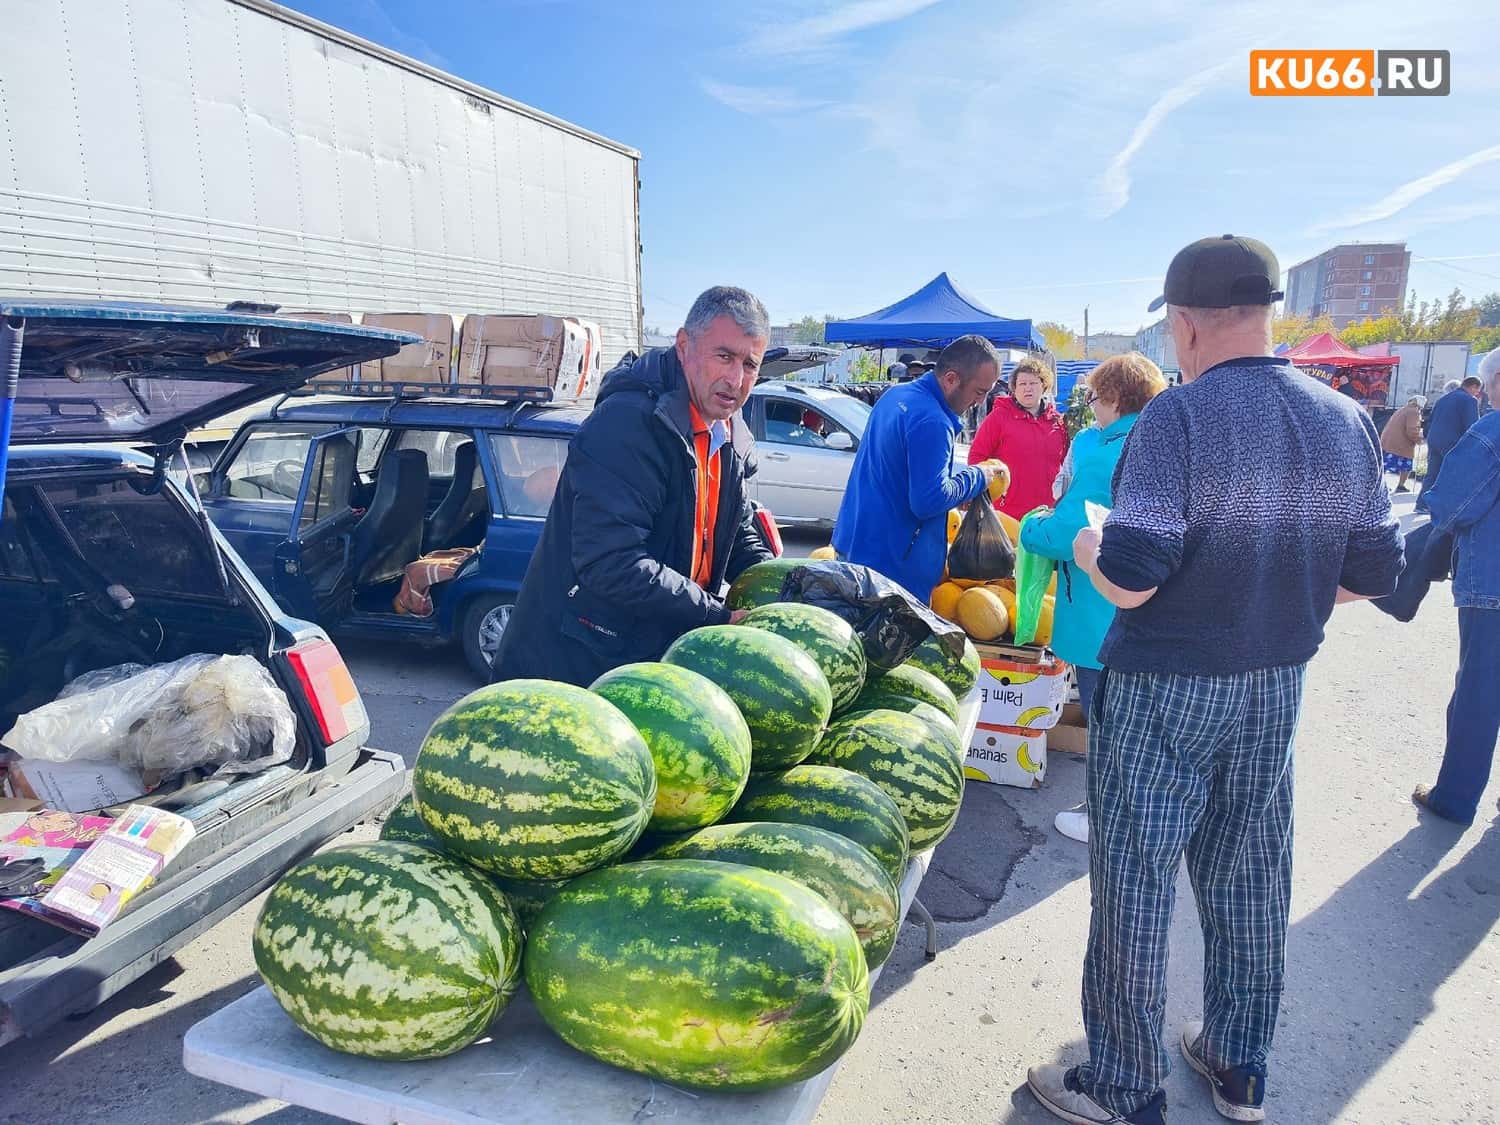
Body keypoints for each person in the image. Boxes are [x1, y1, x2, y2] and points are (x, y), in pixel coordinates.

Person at [1025, 235, 1403, 1125]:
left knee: (1134, 879)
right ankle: (1239, 1065)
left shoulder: (1180, 419)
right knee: (1251, 876)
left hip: (1167, 685)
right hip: (1276, 683)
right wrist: (1284, 588)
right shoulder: (1340, 418)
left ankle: (1122, 1083)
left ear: (1186, 325)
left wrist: (1086, 540)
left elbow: (1135, 575)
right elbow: (1372, 574)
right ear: (1268, 311)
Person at [492, 286, 774, 687]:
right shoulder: (628, 425)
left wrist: (788, 590)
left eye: (750, 364)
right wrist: (716, 616)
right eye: (724, 356)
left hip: (649, 651)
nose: (736, 378)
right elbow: (611, 562)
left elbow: (737, 535)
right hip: (576, 661)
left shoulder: (729, 433)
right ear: (683, 346)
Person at [1018, 353, 1169, 844]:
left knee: (1109, 719)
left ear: (1113, 397)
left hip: (1104, 609)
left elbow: (1069, 529)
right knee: (1139, 722)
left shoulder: (1108, 451)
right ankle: (1134, 809)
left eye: (1095, 397)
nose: (1091, 406)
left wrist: (1031, 527)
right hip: (1150, 609)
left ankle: (1102, 815)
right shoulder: (1156, 438)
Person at [832, 334, 1004, 603]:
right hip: (891, 574)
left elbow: (899, 475)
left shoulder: (897, 395)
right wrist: (977, 477)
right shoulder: (932, 420)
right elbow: (928, 500)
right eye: (979, 392)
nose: (981, 402)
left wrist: (956, 493)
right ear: (950, 379)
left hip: (857, 547)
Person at [1411, 349, 1500, 825]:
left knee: (1480, 694)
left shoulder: (1493, 431)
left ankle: (1456, 796)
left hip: (1493, 583)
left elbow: (1454, 502)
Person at [968, 356, 1069, 521]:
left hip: (1046, 516)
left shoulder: (1057, 422)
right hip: (1007, 514)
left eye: (1033, 383)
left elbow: (1066, 466)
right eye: (1022, 384)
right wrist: (984, 496)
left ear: (1044, 386)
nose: (1027, 389)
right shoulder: (999, 417)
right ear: (1014, 389)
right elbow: (977, 457)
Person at [1418, 375, 1483, 511]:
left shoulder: (1443, 398)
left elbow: (1430, 420)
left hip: (1434, 440)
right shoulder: (1469, 400)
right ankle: (1446, 508)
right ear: (1473, 386)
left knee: (1432, 473)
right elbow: (1472, 426)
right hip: (1453, 442)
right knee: (1453, 474)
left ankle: (1422, 504)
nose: (1477, 394)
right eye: (1477, 390)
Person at [1379, 394, 1426, 492]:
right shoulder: (1414, 412)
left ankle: (1381, 485)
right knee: (1406, 465)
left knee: (1385, 465)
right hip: (1400, 444)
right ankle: (1400, 485)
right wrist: (1418, 439)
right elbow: (1412, 429)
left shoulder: (1403, 409)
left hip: (1389, 441)